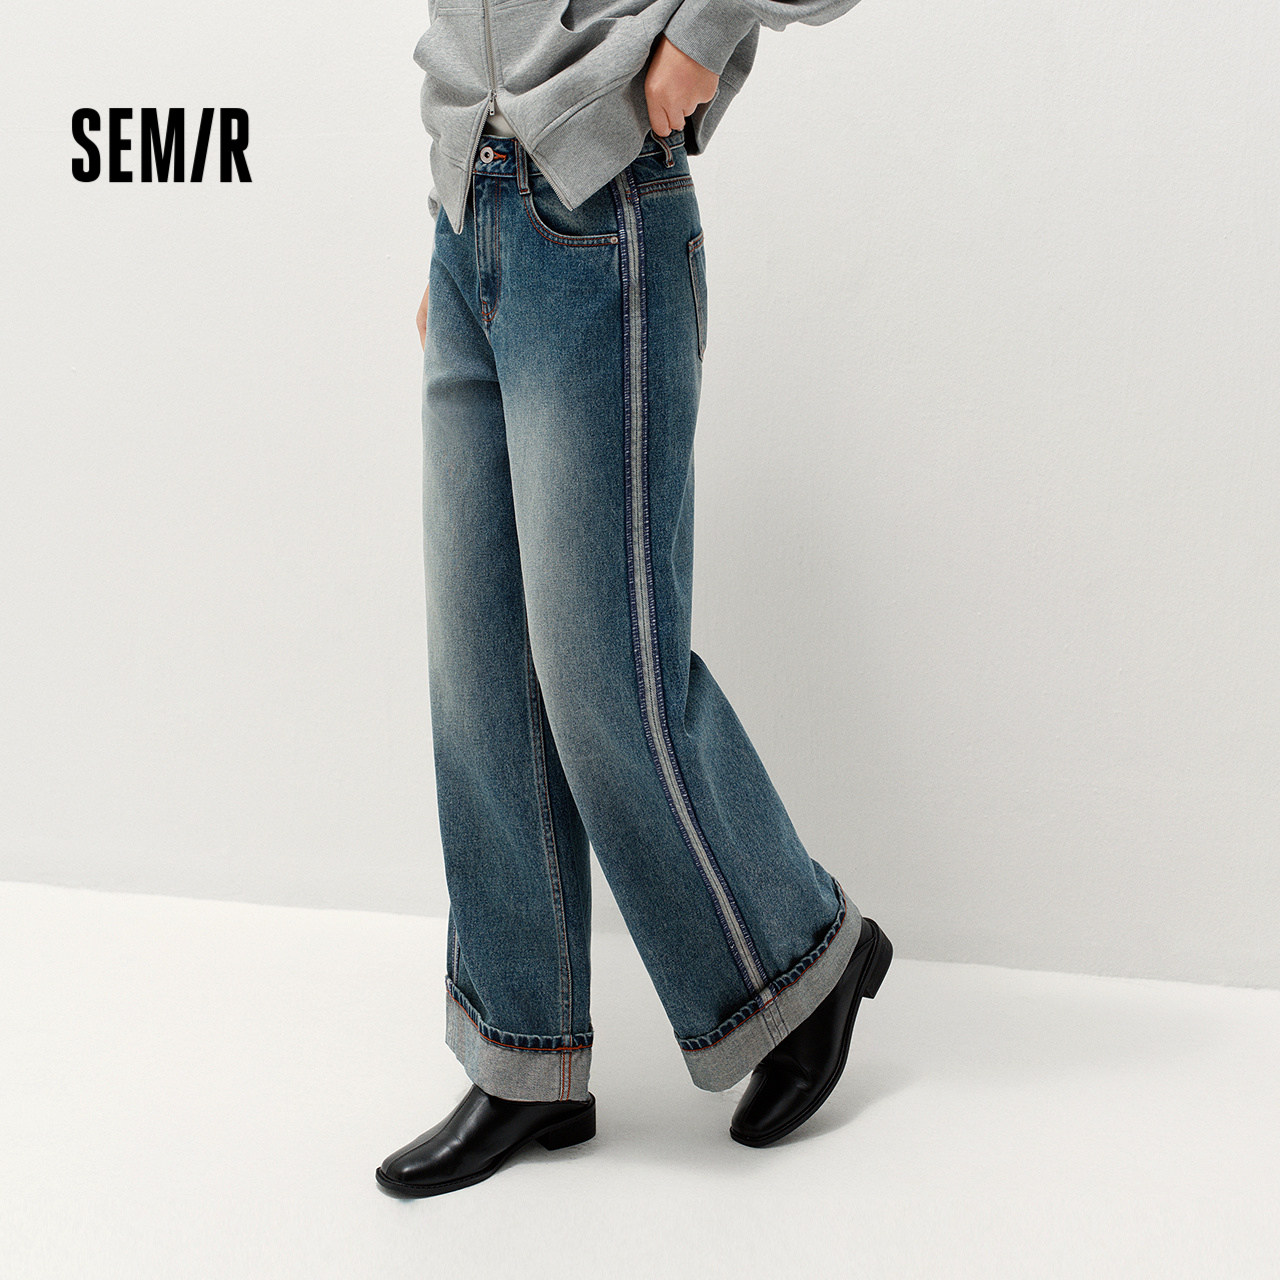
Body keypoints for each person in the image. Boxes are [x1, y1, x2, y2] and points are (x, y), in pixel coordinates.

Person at [377, 1, 891, 1199]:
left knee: (602, 671)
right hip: (470, 216)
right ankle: (524, 1059)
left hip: (600, 208)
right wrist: (459, 207)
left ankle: (803, 960)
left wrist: (701, 34)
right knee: (481, 675)